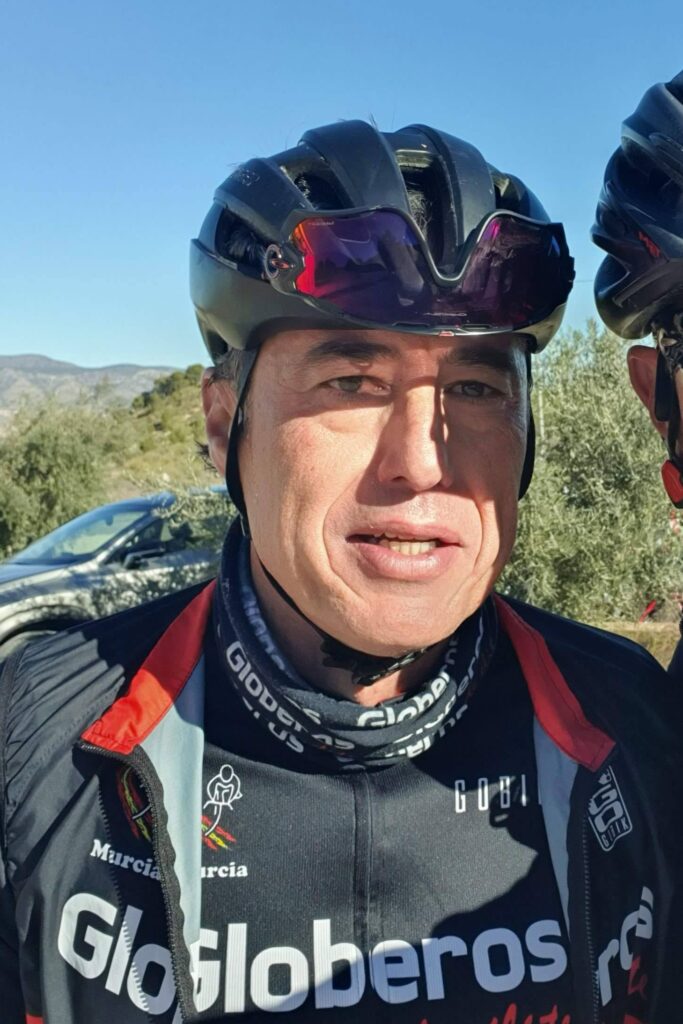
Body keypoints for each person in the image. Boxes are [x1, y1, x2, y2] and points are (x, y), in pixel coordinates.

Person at [1, 90, 682, 1024]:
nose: (421, 461)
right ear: (223, 425)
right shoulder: (32, 747)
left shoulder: (632, 719)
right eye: (352, 382)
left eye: (476, 388)